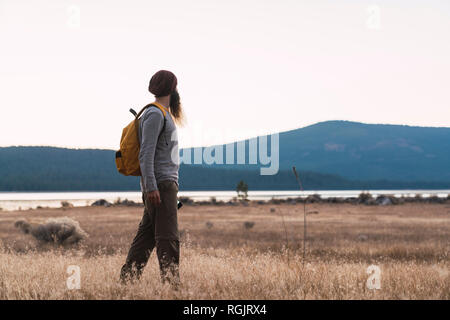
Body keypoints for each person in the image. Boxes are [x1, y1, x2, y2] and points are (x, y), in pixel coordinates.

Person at [120, 70, 183, 287]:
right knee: (168, 239)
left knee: (145, 239)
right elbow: (145, 154)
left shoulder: (161, 113)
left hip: (162, 185)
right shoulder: (156, 114)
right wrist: (151, 187)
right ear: (172, 89)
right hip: (161, 186)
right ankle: (173, 289)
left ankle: (126, 283)